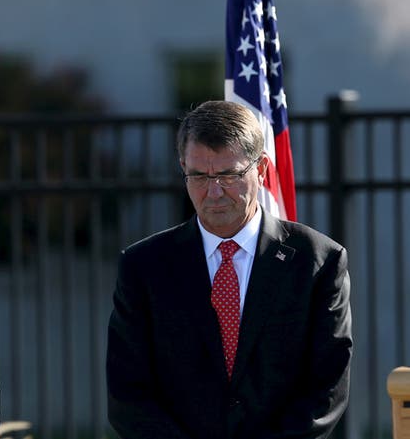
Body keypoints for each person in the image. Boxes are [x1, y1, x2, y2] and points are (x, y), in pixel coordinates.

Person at [106, 100, 352, 439]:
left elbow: (326, 385)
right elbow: (128, 392)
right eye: (199, 176)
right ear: (183, 168)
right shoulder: (144, 267)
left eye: (228, 175)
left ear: (262, 169)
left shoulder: (317, 262)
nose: (214, 191)